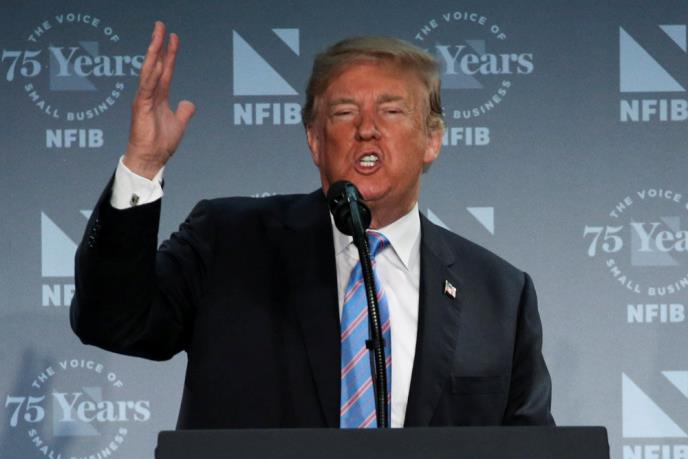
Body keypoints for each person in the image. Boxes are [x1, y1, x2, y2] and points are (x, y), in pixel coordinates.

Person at [71, 21, 554, 429]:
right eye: (344, 112)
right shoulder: (229, 242)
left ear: (432, 140)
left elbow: (531, 446)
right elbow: (112, 322)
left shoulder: (499, 294)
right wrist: (143, 165)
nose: (367, 128)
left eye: (391, 111)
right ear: (314, 141)